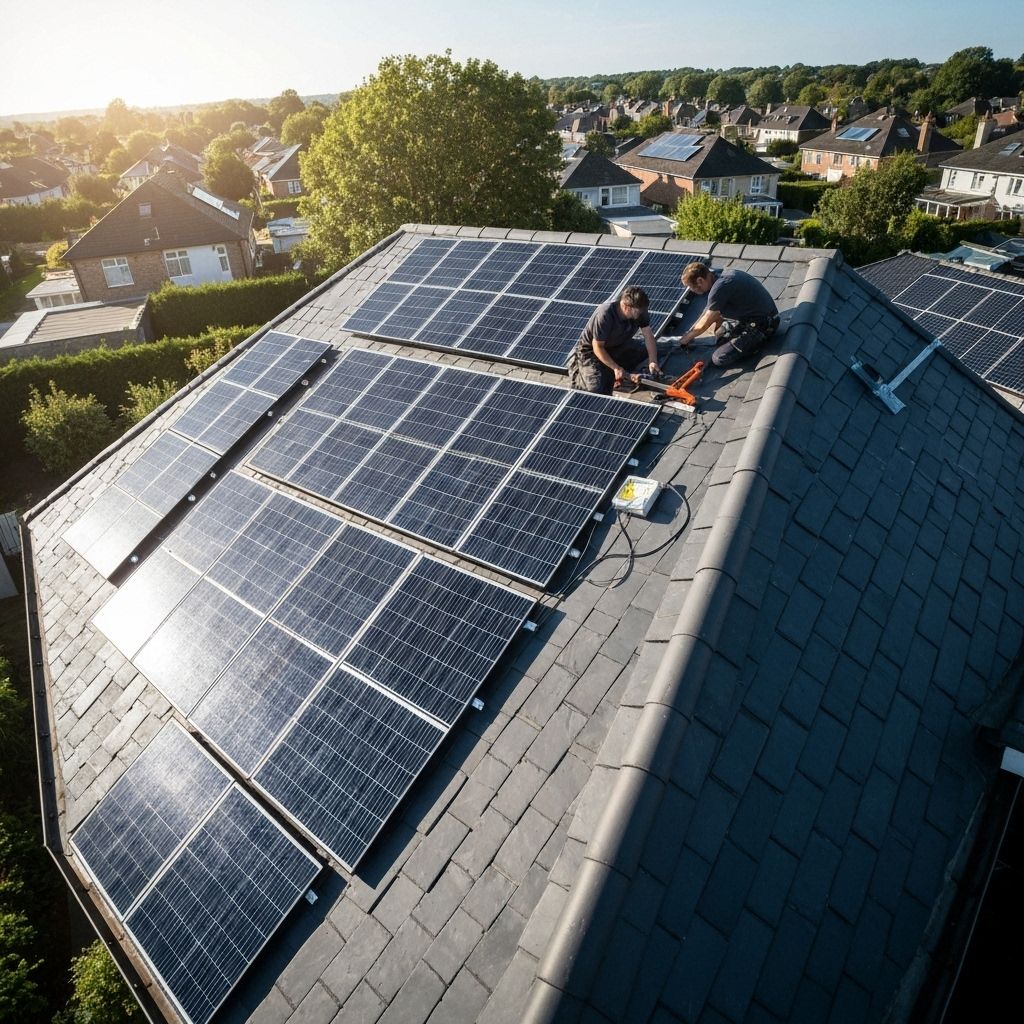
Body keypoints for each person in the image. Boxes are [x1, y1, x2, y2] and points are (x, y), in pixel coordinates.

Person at [677, 262, 780, 368]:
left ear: (700, 281)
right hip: (762, 315)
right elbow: (709, 312)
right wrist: (692, 331)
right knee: (720, 337)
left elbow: (706, 321)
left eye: (692, 287)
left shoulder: (720, 287)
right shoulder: (717, 275)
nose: (692, 291)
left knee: (719, 358)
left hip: (764, 325)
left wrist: (685, 339)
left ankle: (756, 345)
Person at [569, 286, 661, 395]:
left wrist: (653, 361)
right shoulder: (605, 314)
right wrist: (616, 368)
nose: (641, 313)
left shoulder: (640, 310)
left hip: (618, 345)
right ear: (626, 307)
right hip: (591, 352)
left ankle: (613, 368)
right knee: (595, 389)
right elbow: (597, 347)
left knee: (657, 349)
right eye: (638, 311)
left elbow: (648, 335)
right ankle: (577, 369)